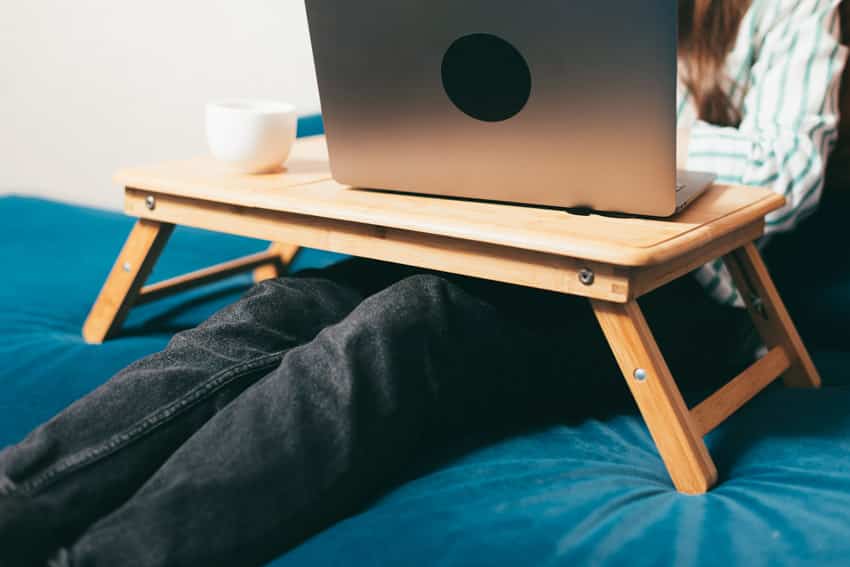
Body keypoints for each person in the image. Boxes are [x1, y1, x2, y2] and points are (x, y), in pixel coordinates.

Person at [1, 1, 846, 565]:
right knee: (277, 306)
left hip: (682, 296)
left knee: (402, 329)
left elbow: (786, 169)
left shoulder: (790, 6)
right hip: (511, 238)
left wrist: (615, 146)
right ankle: (20, 499)